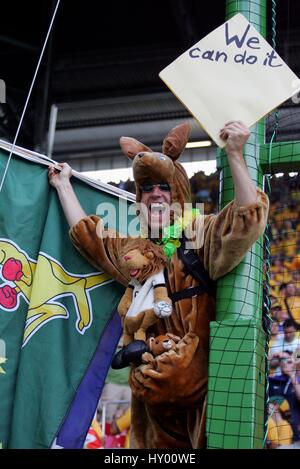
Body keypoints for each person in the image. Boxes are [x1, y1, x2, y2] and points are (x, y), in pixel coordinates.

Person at [48, 120, 269, 449]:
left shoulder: (199, 231)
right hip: (152, 408)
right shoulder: (134, 253)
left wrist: (235, 153)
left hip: (205, 398)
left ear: (177, 193)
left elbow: (246, 218)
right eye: (147, 188)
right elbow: (92, 240)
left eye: (163, 187)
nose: (155, 195)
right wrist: (63, 185)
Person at [269, 351, 300, 442]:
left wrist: (292, 375)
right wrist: (273, 356)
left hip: (294, 429)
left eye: (289, 361)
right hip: (273, 427)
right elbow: (260, 368)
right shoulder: (273, 380)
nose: (285, 363)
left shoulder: (297, 381)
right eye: (283, 360)